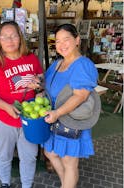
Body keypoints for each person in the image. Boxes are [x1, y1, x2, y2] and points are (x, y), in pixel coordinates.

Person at [0, 21, 44, 188]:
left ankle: (26, 185)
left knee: (30, 155)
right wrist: (6, 107)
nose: (9, 40)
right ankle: (5, 183)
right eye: (5, 37)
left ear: (20, 38)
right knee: (3, 154)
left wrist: (38, 83)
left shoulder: (31, 58)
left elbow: (41, 82)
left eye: (14, 36)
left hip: (29, 118)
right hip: (3, 117)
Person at [43, 24, 98, 188]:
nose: (61, 45)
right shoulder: (57, 64)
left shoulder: (83, 65)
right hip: (54, 119)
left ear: (77, 40)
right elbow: (47, 83)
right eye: (57, 41)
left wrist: (57, 112)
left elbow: (80, 95)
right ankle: (66, 183)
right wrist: (37, 84)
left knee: (69, 162)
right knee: (50, 153)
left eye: (66, 39)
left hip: (71, 120)